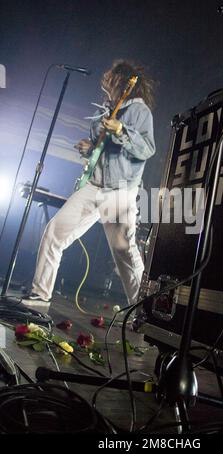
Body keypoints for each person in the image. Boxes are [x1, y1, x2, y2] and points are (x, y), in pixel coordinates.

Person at [23, 60, 155, 308]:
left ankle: (141, 311)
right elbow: (103, 152)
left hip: (120, 189)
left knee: (124, 252)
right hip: (94, 185)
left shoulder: (139, 112)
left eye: (111, 77)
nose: (106, 80)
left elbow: (147, 149)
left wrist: (121, 131)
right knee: (54, 232)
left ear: (123, 81)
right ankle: (40, 295)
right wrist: (90, 149)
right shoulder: (105, 110)